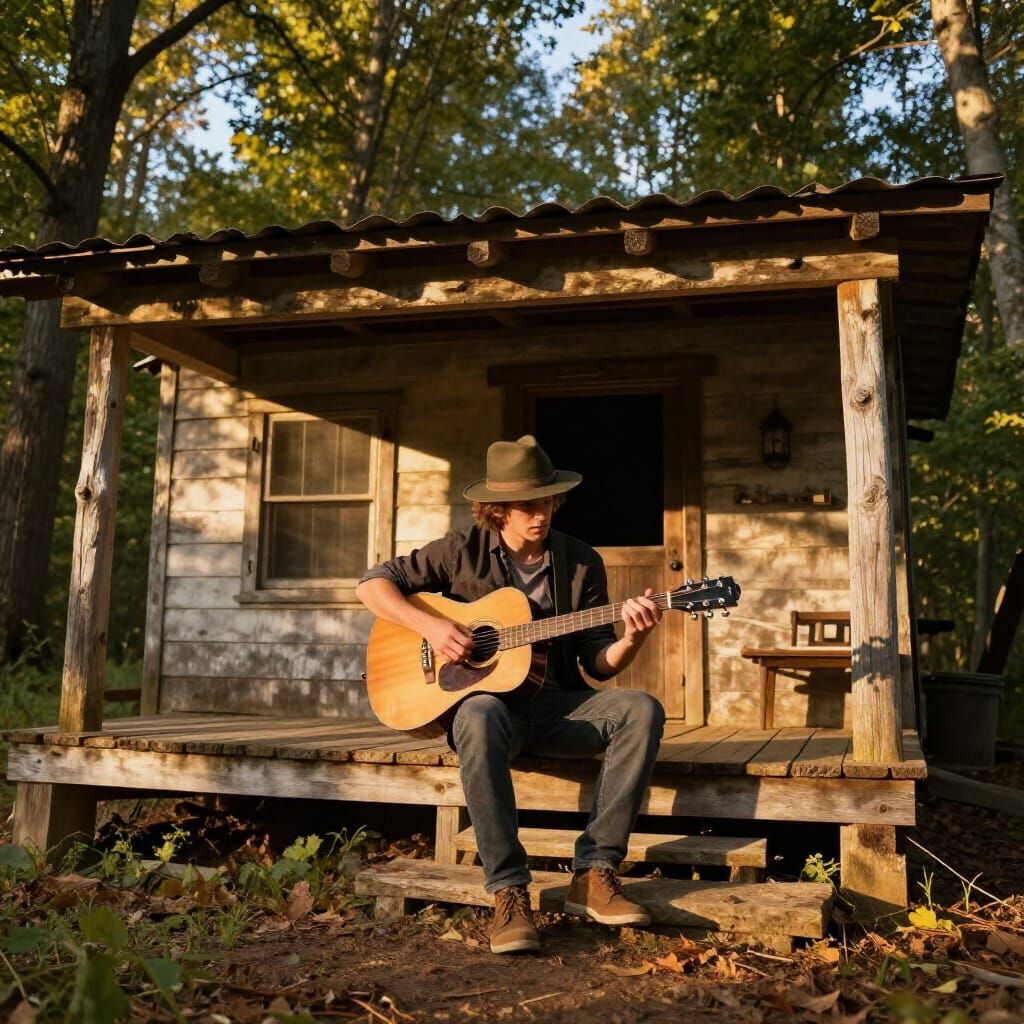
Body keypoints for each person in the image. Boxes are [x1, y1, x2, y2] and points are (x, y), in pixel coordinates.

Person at [356, 435, 666, 954]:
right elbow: (371, 585)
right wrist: (431, 629)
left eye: (546, 500)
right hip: (492, 714)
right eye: (526, 505)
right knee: (477, 711)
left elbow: (597, 661)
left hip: (554, 707)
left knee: (641, 709)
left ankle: (594, 873)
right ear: (496, 510)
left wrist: (632, 637)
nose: (539, 514)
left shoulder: (581, 561)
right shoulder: (460, 551)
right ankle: (508, 892)